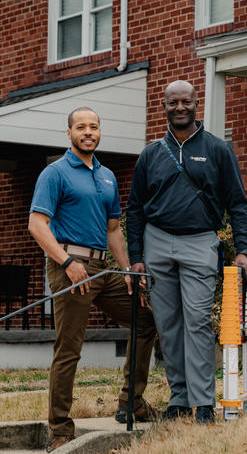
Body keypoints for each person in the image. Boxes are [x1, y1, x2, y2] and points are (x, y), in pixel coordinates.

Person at [29, 107, 157, 452]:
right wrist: (67, 261)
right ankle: (59, 427)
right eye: (81, 127)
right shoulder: (54, 173)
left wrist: (128, 269)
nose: (88, 132)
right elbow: (37, 225)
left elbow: (114, 229)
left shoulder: (107, 176)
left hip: (103, 270)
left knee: (145, 320)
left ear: (100, 132)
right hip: (70, 267)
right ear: (69, 133)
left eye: (94, 126)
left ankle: (131, 401)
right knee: (69, 347)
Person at [126, 80, 247, 425]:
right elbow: (134, 210)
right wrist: (136, 256)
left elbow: (238, 204)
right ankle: (179, 399)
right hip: (156, 242)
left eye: (186, 102)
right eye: (172, 103)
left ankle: (203, 402)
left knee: (196, 320)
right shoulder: (151, 154)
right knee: (168, 325)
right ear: (163, 106)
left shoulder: (217, 149)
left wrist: (243, 250)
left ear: (197, 104)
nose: (179, 108)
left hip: (200, 242)